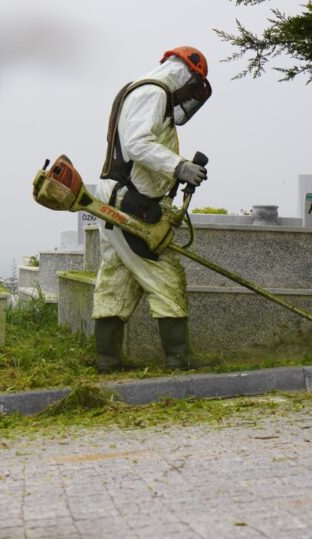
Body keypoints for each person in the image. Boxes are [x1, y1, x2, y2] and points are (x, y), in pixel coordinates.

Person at [92, 46, 212, 373]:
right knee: (165, 274)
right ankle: (178, 358)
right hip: (133, 202)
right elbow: (138, 144)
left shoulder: (140, 89)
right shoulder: (154, 93)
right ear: (187, 76)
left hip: (122, 197)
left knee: (117, 277)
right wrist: (179, 167)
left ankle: (107, 360)